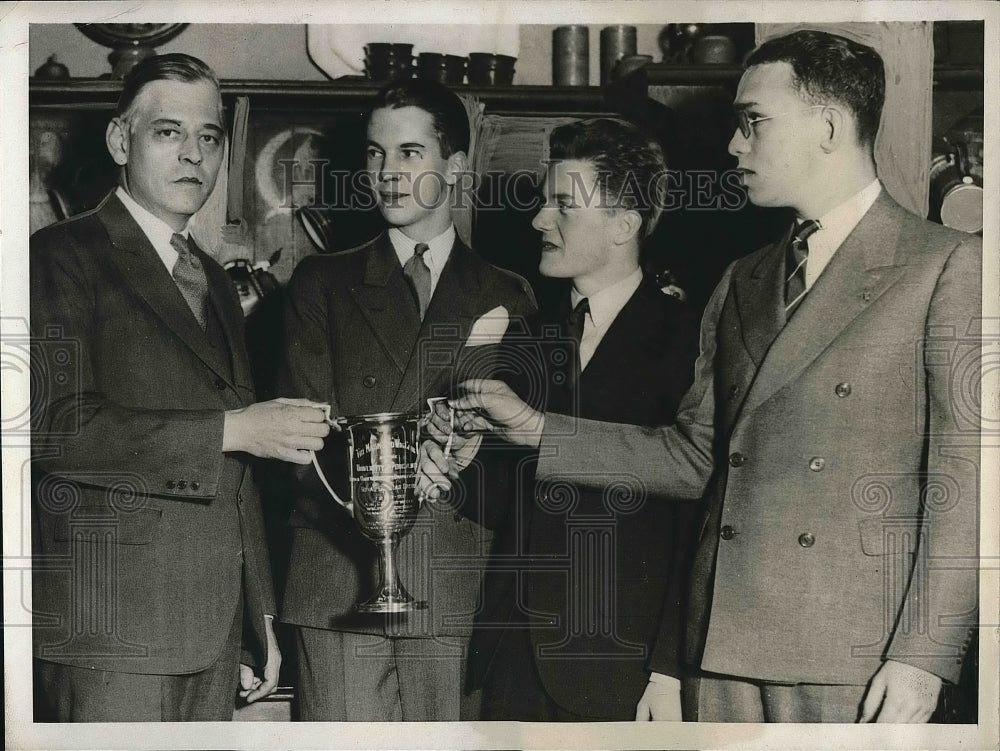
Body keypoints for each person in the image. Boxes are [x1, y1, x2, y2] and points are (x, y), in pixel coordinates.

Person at [422, 30, 981, 723]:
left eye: (753, 122)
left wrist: (924, 654)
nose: (733, 147)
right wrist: (538, 429)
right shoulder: (743, 278)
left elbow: (971, 479)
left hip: (852, 660)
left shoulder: (947, 265)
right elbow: (694, 458)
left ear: (829, 127)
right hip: (720, 654)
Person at [30, 53, 332, 722]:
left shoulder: (214, 279)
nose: (194, 154)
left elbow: (240, 477)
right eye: (168, 132)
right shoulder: (60, 255)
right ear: (119, 141)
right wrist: (235, 428)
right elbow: (54, 426)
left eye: (210, 136)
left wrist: (257, 617)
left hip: (212, 633)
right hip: (110, 634)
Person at [424, 117, 699, 720]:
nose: (538, 221)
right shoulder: (527, 335)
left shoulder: (689, 342)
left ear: (624, 224)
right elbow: (515, 501)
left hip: (622, 665)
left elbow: (699, 522)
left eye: (562, 205)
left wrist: (669, 669)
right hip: (513, 658)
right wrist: (460, 463)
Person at [279, 78, 536, 722]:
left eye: (410, 153)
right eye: (375, 154)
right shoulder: (321, 283)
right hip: (339, 584)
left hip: (455, 587)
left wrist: (460, 461)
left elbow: (522, 459)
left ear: (455, 166)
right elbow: (297, 444)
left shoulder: (511, 294)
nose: (388, 173)